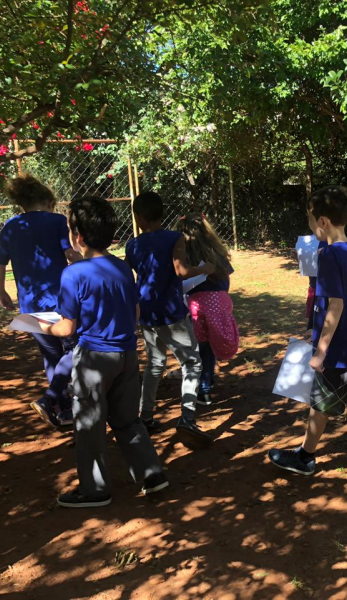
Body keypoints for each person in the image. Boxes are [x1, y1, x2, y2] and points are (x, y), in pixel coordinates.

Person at [268, 185, 347, 493]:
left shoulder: (328, 255)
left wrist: (320, 350)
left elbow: (336, 306)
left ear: (323, 222)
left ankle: (305, 457)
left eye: (310, 220)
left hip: (340, 350)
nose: (310, 226)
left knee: (320, 404)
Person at [39, 196, 167, 507]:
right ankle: (151, 474)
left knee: (89, 425)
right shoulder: (122, 267)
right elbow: (135, 313)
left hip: (94, 358)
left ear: (78, 236)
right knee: (128, 419)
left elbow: (66, 328)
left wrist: (42, 326)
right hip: (127, 354)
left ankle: (95, 490)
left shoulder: (74, 273)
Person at [126, 191, 215, 449]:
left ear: (139, 217)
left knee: (155, 363)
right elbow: (182, 270)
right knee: (192, 362)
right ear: (161, 213)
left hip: (146, 312)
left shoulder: (132, 245)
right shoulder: (174, 238)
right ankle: (187, 418)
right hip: (171, 313)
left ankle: (145, 416)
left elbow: (128, 273)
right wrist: (204, 269)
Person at [0, 174, 81, 428]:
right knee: (77, 347)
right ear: (48, 201)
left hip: (29, 304)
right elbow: (71, 254)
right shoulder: (57, 221)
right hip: (61, 300)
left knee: (51, 355)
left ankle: (63, 409)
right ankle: (50, 398)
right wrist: (94, 263)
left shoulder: (11, 226)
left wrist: (1, 292)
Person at [174, 213, 239, 405]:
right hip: (220, 301)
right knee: (209, 346)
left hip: (194, 305)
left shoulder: (181, 256)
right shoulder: (215, 252)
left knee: (198, 346)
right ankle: (206, 384)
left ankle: (201, 387)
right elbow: (226, 278)